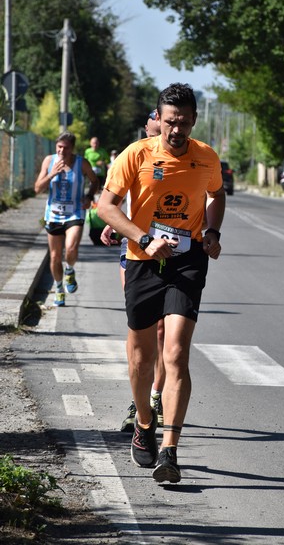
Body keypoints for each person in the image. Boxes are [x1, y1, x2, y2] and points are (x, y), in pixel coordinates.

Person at [97, 83, 225, 484]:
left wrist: (212, 231)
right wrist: (143, 238)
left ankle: (170, 449)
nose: (176, 130)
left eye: (184, 122)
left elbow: (216, 195)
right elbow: (106, 207)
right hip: (142, 260)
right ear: (158, 118)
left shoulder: (206, 157)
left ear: (194, 121)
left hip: (187, 260)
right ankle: (145, 423)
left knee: (176, 354)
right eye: (170, 122)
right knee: (140, 358)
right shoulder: (136, 155)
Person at [100, 110, 165, 431]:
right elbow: (116, 199)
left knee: (165, 331)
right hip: (136, 251)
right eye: (155, 128)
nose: (161, 135)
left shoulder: (185, 153)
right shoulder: (135, 154)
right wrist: (116, 227)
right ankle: (138, 398)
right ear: (148, 127)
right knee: (140, 328)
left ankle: (155, 397)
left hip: (172, 252)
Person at [35, 131, 99, 307]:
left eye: (66, 148)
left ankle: (69, 270)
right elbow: (37, 188)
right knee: (55, 257)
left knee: (71, 248)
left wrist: (89, 196)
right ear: (56, 146)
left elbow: (95, 181)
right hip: (53, 214)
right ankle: (59, 289)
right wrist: (51, 174)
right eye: (59, 147)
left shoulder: (81, 163)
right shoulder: (49, 161)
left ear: (72, 149)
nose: (62, 151)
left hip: (75, 212)